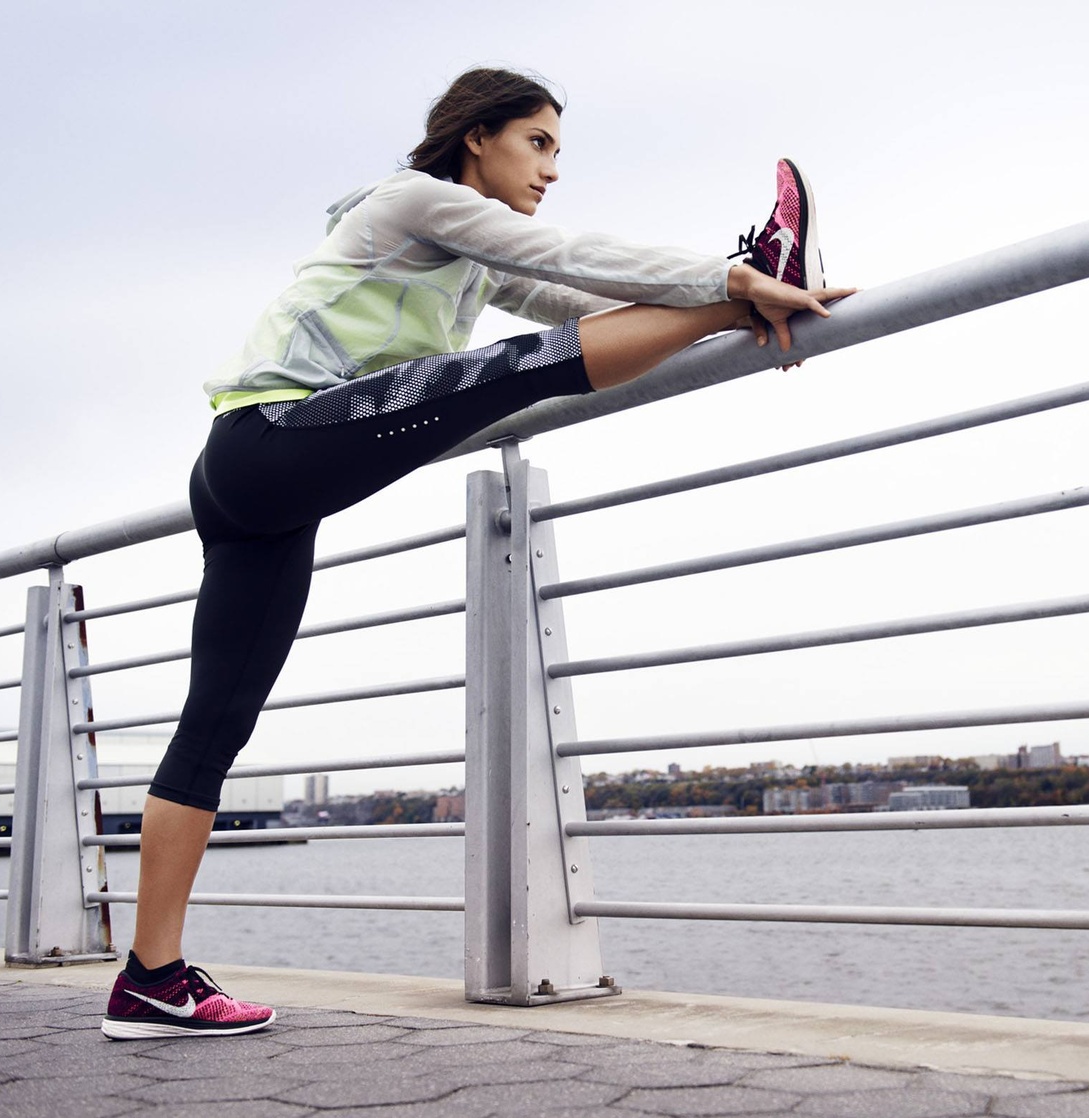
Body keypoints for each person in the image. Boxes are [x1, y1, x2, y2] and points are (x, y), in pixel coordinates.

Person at [99, 66, 852, 1040]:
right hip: (269, 438)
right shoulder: (417, 201)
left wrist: (718, 288)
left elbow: (571, 295)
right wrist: (731, 282)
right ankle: (753, 282)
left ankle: (150, 979)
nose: (549, 168)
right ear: (477, 139)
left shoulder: (469, 256)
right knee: (510, 376)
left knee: (214, 732)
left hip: (254, 485)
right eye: (537, 143)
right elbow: (573, 262)